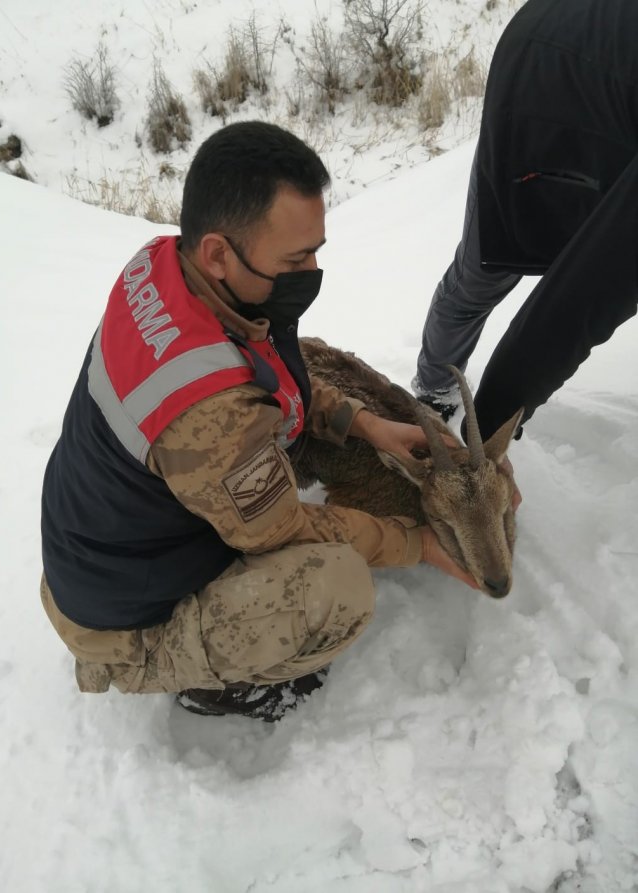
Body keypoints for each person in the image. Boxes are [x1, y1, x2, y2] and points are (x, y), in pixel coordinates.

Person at [40, 121, 476, 723]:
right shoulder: (209, 415)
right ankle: (214, 682)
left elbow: (262, 373)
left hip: (98, 547)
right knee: (336, 588)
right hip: (120, 621)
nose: (313, 270)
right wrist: (417, 543)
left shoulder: (164, 267)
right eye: (297, 258)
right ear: (219, 251)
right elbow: (280, 528)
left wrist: (363, 423)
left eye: (318, 248)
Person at [413, 0, 638, 440]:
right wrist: (494, 417)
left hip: (602, 93)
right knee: (481, 274)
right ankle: (433, 391)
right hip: (532, 88)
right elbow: (591, 289)